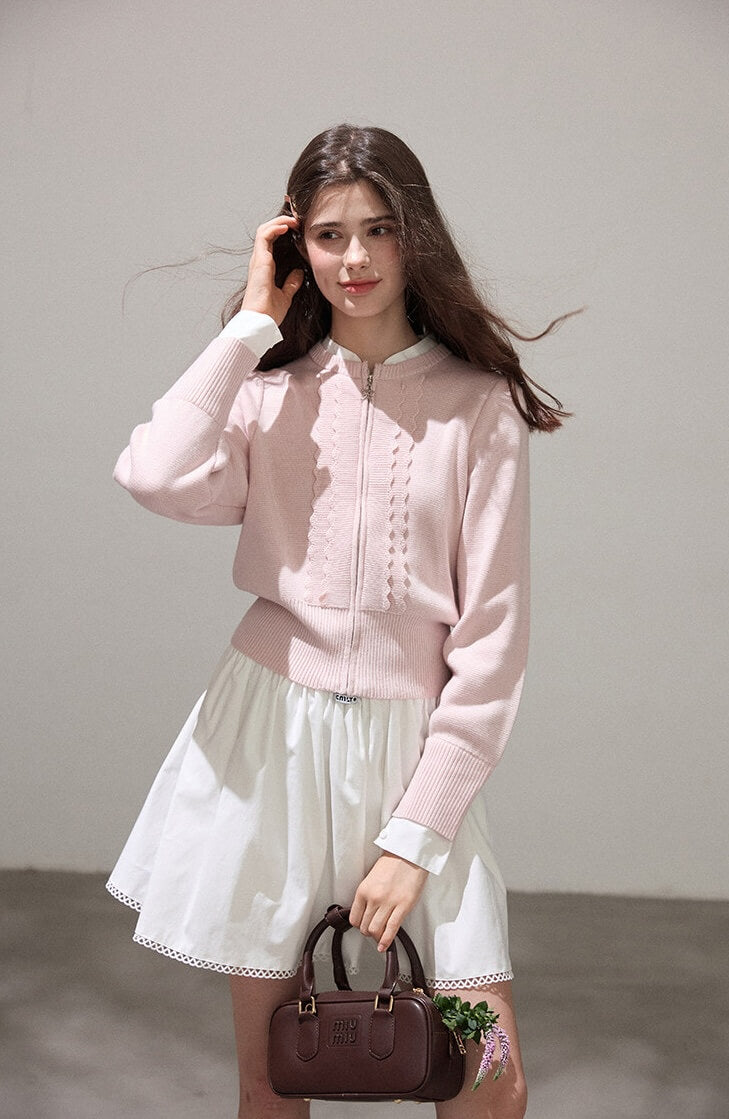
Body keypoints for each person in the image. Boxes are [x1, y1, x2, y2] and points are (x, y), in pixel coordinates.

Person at [107, 123, 572, 1119]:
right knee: (273, 1079)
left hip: (413, 754)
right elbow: (150, 473)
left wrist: (415, 836)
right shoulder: (265, 393)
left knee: (488, 1073)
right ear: (295, 246)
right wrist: (248, 328)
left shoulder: (478, 407)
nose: (354, 257)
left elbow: (491, 647)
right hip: (266, 743)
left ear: (414, 239)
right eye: (327, 235)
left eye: (377, 230)